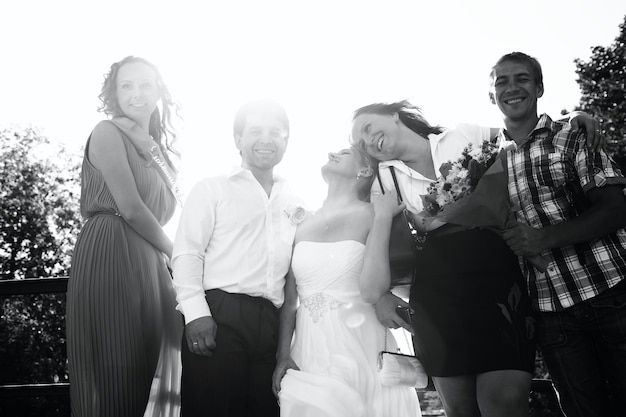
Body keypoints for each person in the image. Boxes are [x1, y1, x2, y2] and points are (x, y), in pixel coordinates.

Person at [351, 101, 537, 417]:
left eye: (368, 128)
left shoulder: (464, 134)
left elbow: (526, 135)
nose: (369, 142)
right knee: (461, 410)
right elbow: (375, 242)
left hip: (499, 280)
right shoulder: (384, 179)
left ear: (393, 115)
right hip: (437, 298)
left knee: (504, 402)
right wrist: (381, 296)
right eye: (362, 144)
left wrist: (573, 117)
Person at [491, 52, 626, 417]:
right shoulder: (488, 161)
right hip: (551, 314)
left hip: (611, 293)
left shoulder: (573, 133)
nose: (511, 87)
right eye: (501, 81)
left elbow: (616, 208)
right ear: (492, 96)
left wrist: (544, 238)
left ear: (539, 88)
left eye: (521, 78)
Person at [66, 56, 183, 417]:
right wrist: (181, 257)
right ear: (114, 94)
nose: (137, 94)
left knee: (151, 369)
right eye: (126, 86)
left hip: (150, 263)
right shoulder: (106, 132)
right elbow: (130, 208)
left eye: (146, 84)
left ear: (159, 90)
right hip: (110, 251)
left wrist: (148, 146)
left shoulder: (157, 150)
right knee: (115, 370)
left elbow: (173, 203)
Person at [171, 99, 301, 417]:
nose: (266, 139)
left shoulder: (296, 202)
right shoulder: (211, 189)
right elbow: (187, 252)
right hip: (219, 317)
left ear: (287, 141)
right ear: (238, 139)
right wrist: (196, 313)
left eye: (275, 132)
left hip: (270, 324)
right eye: (255, 131)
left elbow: (294, 280)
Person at [272, 147, 422, 417]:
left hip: (360, 343)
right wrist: (282, 354)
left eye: (343, 152)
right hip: (307, 347)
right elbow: (290, 299)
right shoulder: (301, 222)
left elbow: (374, 288)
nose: (331, 152)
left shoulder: (375, 214)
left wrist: (384, 217)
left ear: (364, 170)